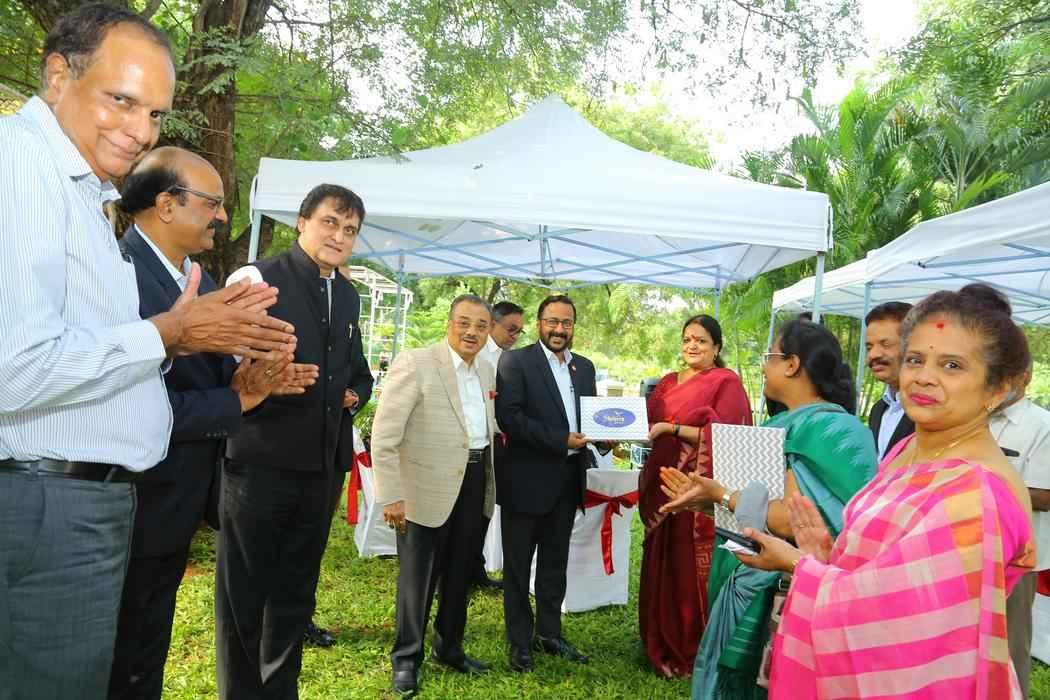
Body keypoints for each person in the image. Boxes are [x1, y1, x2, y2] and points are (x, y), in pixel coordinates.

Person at [0, 7, 295, 698]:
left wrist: (216, 367)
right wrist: (171, 334)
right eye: (122, 99)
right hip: (49, 504)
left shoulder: (80, 193)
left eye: (156, 113)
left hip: (83, 503)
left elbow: (89, 357)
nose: (140, 129)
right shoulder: (22, 167)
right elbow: (15, 369)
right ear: (57, 75)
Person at [733, 284, 1035, 699]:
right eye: (915, 359)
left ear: (998, 388)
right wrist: (826, 556)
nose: (923, 376)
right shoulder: (909, 447)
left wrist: (799, 566)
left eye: (951, 365)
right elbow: (883, 568)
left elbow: (902, 623)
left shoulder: (976, 494)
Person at [108, 148, 318, 700]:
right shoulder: (118, 275)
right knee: (120, 657)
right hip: (131, 505)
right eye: (212, 203)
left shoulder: (197, 282)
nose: (223, 216)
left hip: (175, 504)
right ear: (166, 205)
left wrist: (257, 379)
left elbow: (214, 380)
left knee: (145, 652)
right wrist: (236, 401)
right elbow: (125, 404)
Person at [660, 319, 877, 698]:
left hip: (789, 591)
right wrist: (708, 502)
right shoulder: (782, 423)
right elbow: (756, 514)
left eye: (769, 356)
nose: (763, 367)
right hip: (749, 574)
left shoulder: (830, 430)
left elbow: (792, 521)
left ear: (792, 364)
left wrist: (723, 496)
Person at [216, 183, 373, 699]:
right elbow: (218, 362)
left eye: (350, 229)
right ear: (302, 222)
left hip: (321, 469)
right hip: (260, 463)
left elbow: (355, 370)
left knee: (294, 595)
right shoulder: (257, 279)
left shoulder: (347, 295)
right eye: (330, 222)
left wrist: (353, 393)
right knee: (244, 596)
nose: (339, 236)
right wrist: (256, 378)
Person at [371, 294, 498, 697]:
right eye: (464, 322)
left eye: (481, 325)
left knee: (460, 572)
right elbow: (384, 436)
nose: (472, 332)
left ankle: (450, 647)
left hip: (474, 481)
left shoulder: (487, 370)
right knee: (418, 580)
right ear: (449, 323)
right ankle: (406, 659)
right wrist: (391, 495)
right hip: (423, 489)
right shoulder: (417, 362)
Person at [496, 294, 609, 672]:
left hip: (567, 481)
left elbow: (591, 418)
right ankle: (519, 642)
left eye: (566, 322)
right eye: (552, 322)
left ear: (574, 326)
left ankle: (549, 634)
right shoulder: (516, 361)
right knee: (517, 567)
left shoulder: (585, 367)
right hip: (525, 480)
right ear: (539, 324)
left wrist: (605, 437)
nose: (559, 329)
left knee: (554, 564)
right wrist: (561, 440)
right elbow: (510, 418)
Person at [638, 314, 752, 678]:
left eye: (701, 340)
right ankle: (658, 636)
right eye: (687, 338)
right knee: (660, 558)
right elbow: (646, 424)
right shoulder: (668, 382)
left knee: (686, 566)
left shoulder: (725, 382)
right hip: (661, 482)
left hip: (696, 488)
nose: (692, 345)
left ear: (716, 347)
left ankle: (690, 644)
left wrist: (672, 429)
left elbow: (729, 435)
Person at [991, 361, 1050, 698]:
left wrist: (979, 487)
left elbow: (1045, 496)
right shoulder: (974, 417)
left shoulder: (1042, 426)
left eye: (1005, 373)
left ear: (1025, 377)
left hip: (1016, 558)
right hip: (968, 548)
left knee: (1010, 647)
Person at [470, 299, 525, 590]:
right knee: (469, 510)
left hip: (501, 445)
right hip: (475, 442)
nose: (515, 336)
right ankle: (452, 573)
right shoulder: (478, 354)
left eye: (519, 331)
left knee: (487, 507)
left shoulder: (512, 358)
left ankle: (475, 569)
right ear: (493, 324)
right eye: (511, 329)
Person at [865, 301, 915, 459]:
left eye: (885, 344)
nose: (873, 355)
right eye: (869, 347)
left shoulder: (932, 411)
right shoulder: (878, 411)